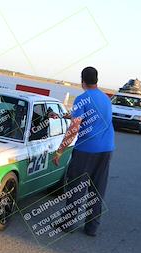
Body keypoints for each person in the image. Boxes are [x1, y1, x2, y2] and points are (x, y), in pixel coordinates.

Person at [53, 66, 115, 236]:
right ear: (97, 80)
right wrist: (65, 116)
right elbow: (88, 117)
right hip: (106, 150)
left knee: (76, 188)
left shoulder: (82, 98)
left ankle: (67, 224)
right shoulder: (105, 98)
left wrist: (60, 151)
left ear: (82, 80)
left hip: (87, 150)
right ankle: (92, 228)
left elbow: (74, 129)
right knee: (97, 189)